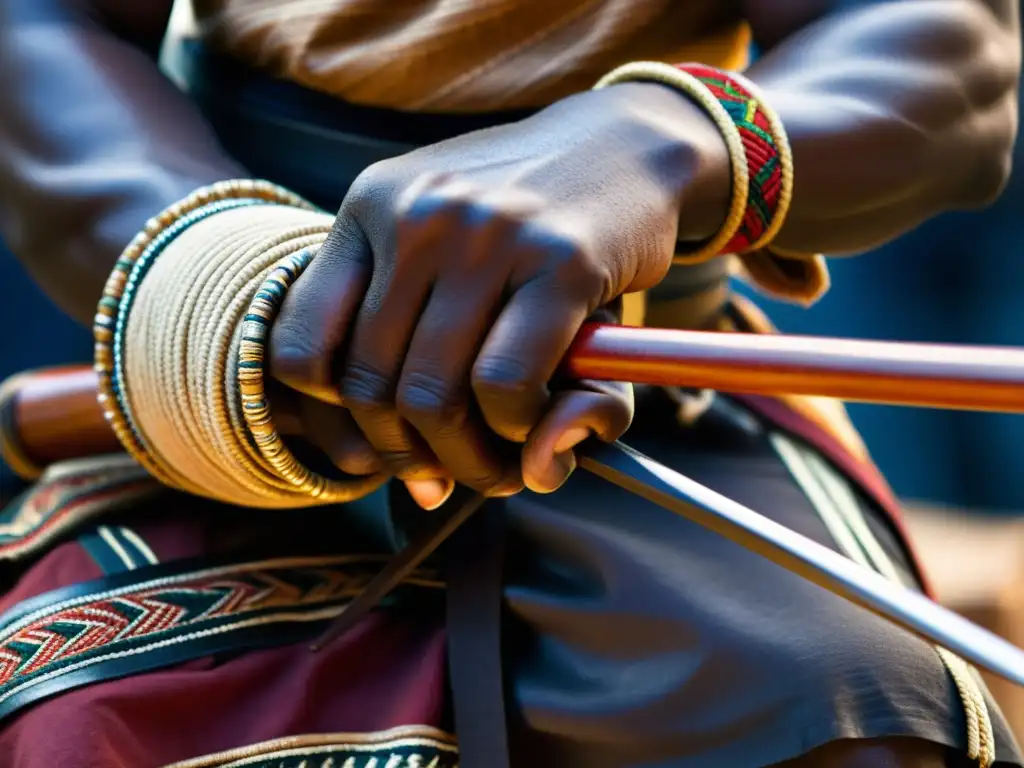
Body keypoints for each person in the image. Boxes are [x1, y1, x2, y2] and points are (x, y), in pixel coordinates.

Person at [0, 1, 1020, 766]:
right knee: (84, 721)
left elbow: (946, 49)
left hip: (639, 377)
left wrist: (653, 148)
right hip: (236, 351)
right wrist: (231, 284)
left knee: (843, 707)